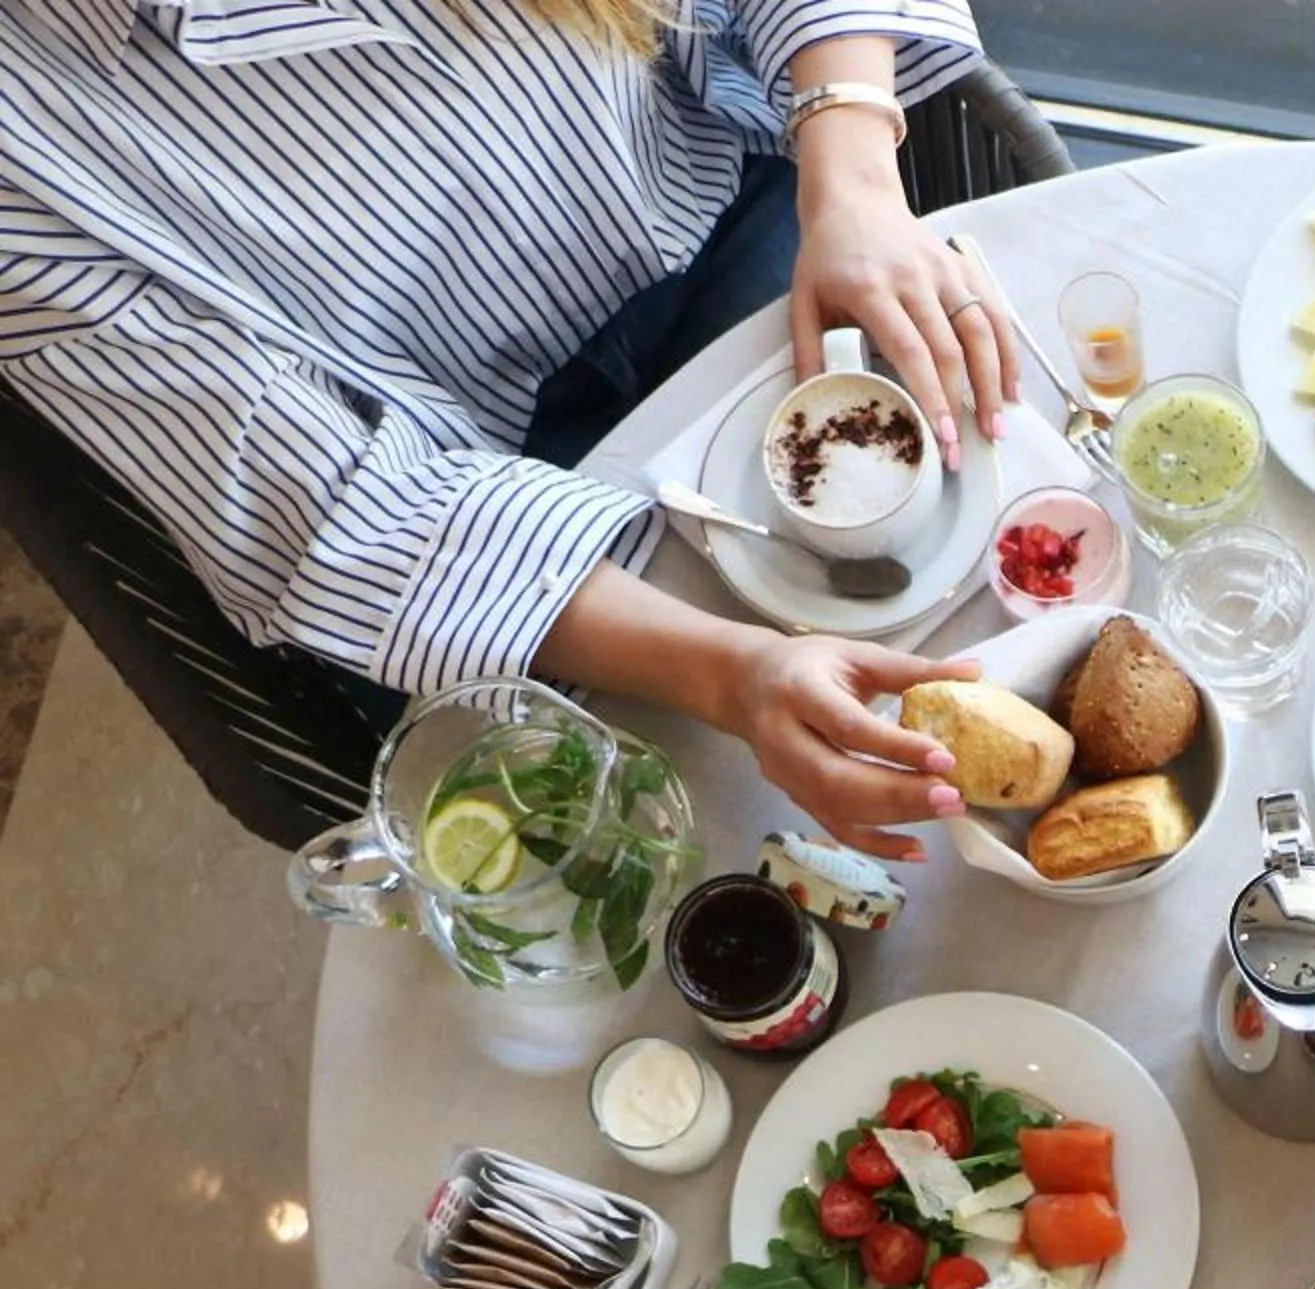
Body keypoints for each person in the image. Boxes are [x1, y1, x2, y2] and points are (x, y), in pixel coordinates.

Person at [0, 0, 1016, 859]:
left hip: (739, 228)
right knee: (734, 845)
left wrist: (856, 185)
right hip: (494, 508)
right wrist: (732, 676)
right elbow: (326, 508)